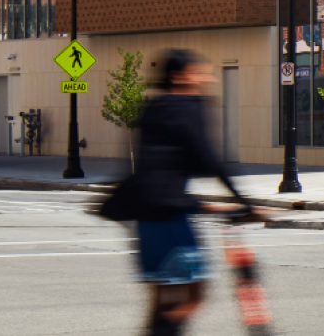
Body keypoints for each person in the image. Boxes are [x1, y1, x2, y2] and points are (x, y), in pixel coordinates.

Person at [100, 49, 258, 336]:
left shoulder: (152, 108)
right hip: (170, 217)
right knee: (195, 296)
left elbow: (158, 167)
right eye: (200, 72)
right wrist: (246, 202)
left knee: (161, 303)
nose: (207, 78)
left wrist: (204, 206)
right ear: (179, 76)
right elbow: (209, 160)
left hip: (146, 217)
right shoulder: (188, 107)